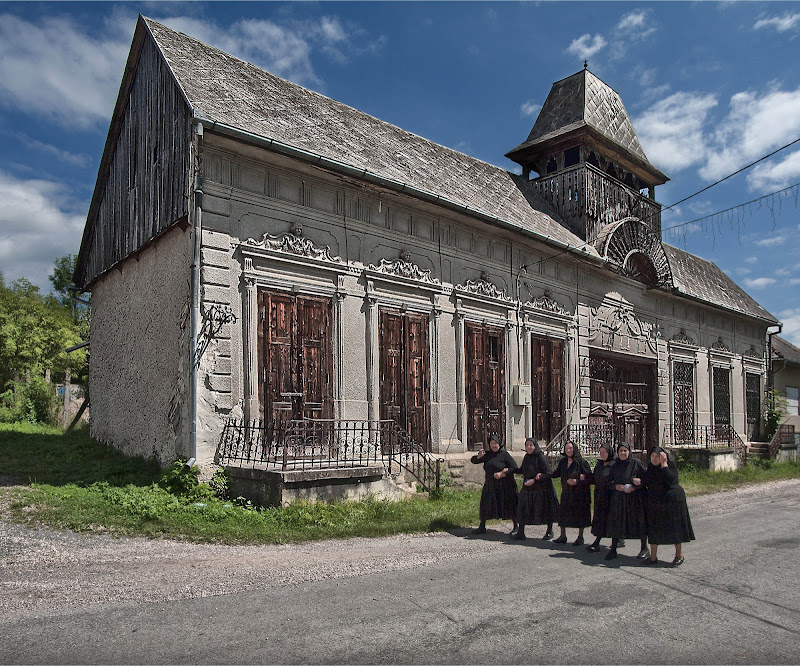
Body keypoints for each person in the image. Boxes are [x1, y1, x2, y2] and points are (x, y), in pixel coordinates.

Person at [641, 446, 695, 566]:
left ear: (663, 456)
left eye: (658, 456)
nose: (655, 459)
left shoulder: (670, 466)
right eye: (653, 456)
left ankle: (679, 555)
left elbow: (671, 481)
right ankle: (653, 557)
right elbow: (646, 481)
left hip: (672, 501)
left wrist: (664, 464)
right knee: (654, 528)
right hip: (655, 502)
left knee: (674, 528)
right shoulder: (650, 468)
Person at [605, 442, 649, 561]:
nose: (623, 453)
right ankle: (613, 549)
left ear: (629, 452)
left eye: (625, 450)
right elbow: (609, 482)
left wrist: (636, 485)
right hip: (619, 498)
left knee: (638, 522)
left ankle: (644, 548)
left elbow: (645, 480)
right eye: (620, 451)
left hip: (634, 498)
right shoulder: (615, 465)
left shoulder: (636, 463)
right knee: (617, 523)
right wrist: (616, 486)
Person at [470, 434, 519, 535]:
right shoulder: (487, 455)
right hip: (490, 484)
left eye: (495, 443)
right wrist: (478, 457)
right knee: (485, 504)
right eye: (492, 443)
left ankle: (516, 526)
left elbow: (514, 467)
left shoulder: (504, 454)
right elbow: (474, 461)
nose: (494, 445)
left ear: (499, 444)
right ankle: (482, 526)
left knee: (509, 505)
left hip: (504, 485)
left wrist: (502, 474)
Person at [512, 437, 559, 540]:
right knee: (522, 508)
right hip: (528, 487)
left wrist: (536, 479)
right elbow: (522, 470)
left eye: (530, 445)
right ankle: (521, 532)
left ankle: (549, 531)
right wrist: (511, 470)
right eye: (527, 445)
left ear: (535, 446)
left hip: (541, 489)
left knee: (545, 510)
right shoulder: (527, 457)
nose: (528, 447)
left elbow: (549, 473)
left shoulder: (540, 457)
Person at [551, 440, 592, 545]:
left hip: (579, 494)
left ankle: (580, 537)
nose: (569, 450)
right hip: (566, 492)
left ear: (575, 449)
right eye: (567, 448)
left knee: (579, 514)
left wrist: (577, 481)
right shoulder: (563, 462)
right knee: (563, 513)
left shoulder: (581, 462)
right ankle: (563, 536)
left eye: (571, 448)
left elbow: (590, 479)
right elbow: (556, 473)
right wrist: (545, 473)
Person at [586, 442, 615, 553]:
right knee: (600, 518)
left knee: (611, 518)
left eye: (605, 452)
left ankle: (609, 544)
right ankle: (598, 540)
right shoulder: (599, 464)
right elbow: (594, 478)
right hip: (599, 494)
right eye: (601, 452)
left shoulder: (614, 465)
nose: (602, 454)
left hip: (610, 495)